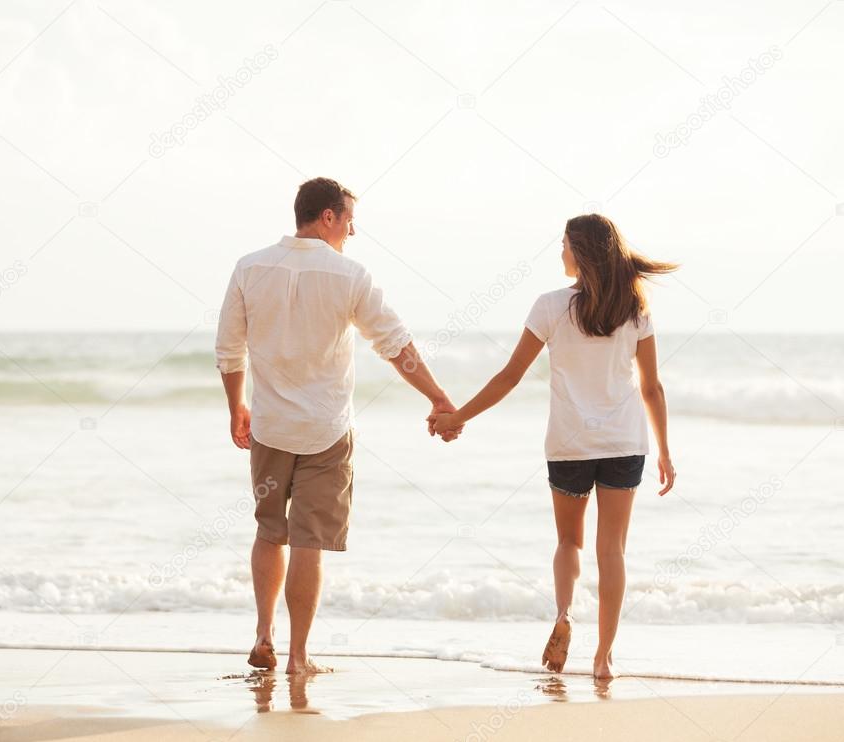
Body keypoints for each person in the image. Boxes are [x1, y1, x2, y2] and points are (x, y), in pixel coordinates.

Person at [215, 177, 460, 675]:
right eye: (349, 220)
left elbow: (228, 348)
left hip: (268, 428)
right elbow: (396, 346)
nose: (351, 231)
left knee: (268, 531)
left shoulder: (250, 266)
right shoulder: (349, 274)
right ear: (328, 216)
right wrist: (437, 397)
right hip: (326, 431)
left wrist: (237, 406)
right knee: (309, 541)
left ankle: (264, 635)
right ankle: (298, 658)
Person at [430, 214, 677, 678]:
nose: (560, 253)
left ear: (580, 252)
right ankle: (603, 658)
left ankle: (564, 614)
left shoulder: (549, 306)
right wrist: (664, 450)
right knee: (613, 551)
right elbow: (652, 388)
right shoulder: (635, 310)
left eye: (564, 245)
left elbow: (509, 375)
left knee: (568, 541)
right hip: (624, 442)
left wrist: (458, 417)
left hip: (568, 444)